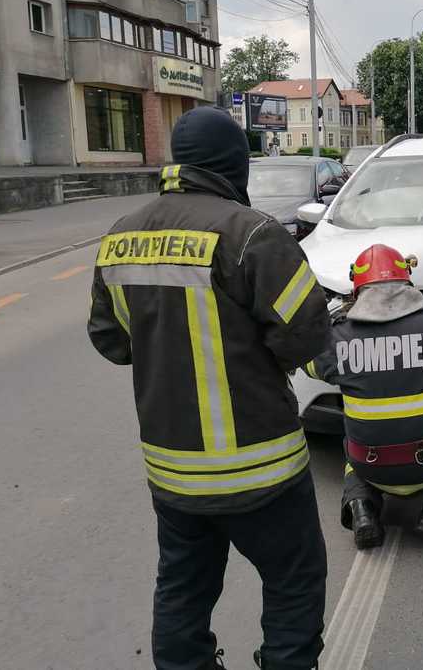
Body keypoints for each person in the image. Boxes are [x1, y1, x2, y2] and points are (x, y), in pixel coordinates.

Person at [88, 107, 332, 670]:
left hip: (173, 470)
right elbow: (306, 335)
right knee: (294, 583)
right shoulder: (253, 235)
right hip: (262, 465)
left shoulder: (120, 238)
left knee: (182, 588)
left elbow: (111, 341)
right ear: (234, 165)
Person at [303, 244, 423, 548]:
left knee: (352, 437)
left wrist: (337, 321)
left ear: (357, 290)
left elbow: (311, 366)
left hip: (370, 465)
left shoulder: (339, 336)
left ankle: (362, 509)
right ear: (407, 281)